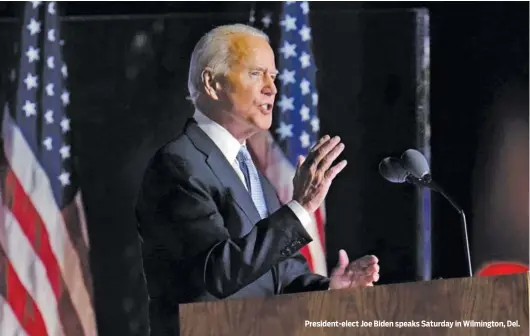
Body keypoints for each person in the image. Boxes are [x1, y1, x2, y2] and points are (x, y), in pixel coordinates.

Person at [135, 24, 379, 335]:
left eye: (273, 77)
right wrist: (300, 206)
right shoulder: (179, 164)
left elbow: (280, 275)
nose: (272, 88)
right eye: (256, 74)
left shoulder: (255, 176)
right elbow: (218, 273)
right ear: (212, 83)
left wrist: (331, 289)